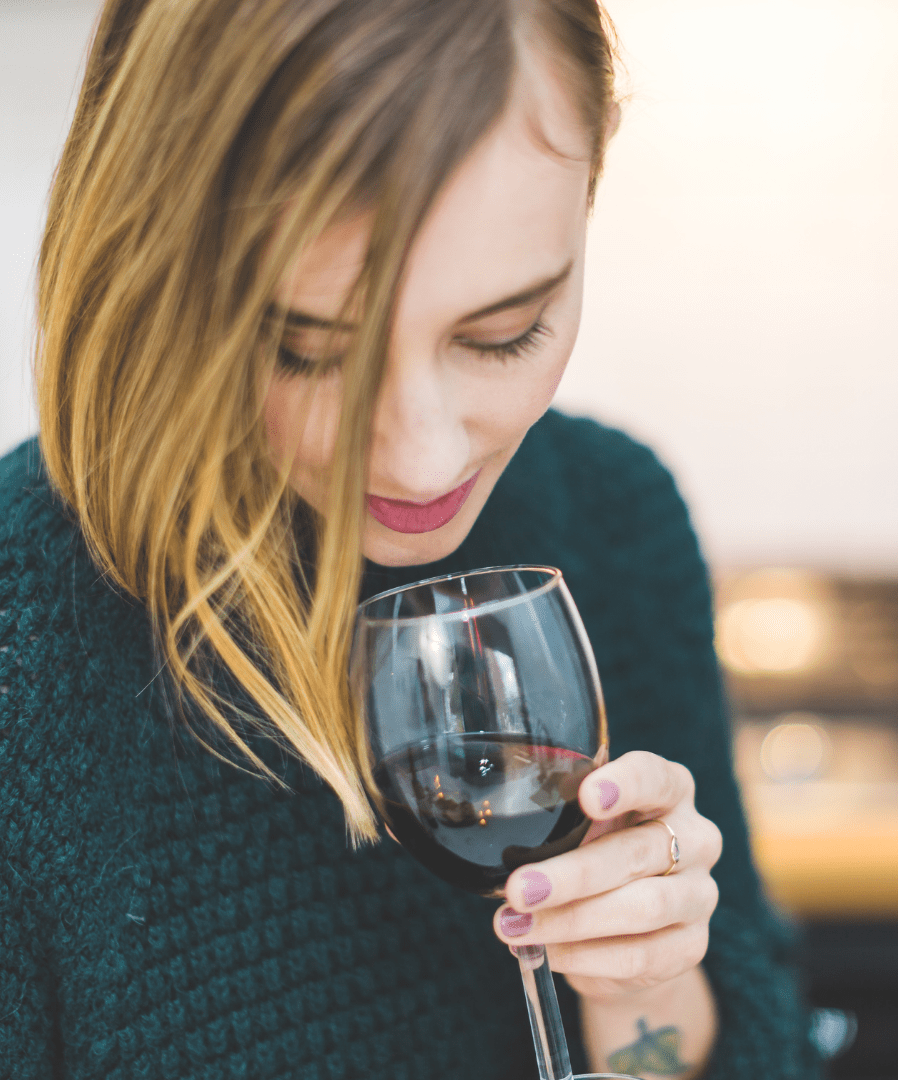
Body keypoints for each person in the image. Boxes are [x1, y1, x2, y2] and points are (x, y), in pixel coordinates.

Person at [0, 1, 818, 1076]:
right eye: (307, 352)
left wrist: (647, 989)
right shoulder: (27, 631)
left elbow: (704, 1054)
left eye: (503, 333)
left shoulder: (615, 522)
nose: (422, 463)